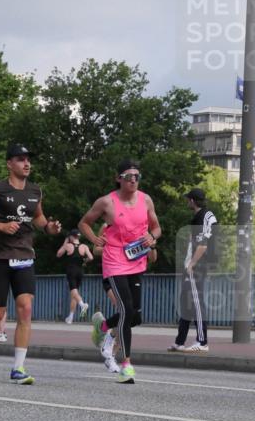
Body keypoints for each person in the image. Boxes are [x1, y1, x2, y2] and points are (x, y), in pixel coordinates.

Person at [0, 144, 61, 384]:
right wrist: (0, 227)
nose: (26, 164)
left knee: (25, 308)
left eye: (28, 160)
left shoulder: (35, 191)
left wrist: (49, 228)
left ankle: (18, 368)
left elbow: (37, 217)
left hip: (25, 255)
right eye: (20, 159)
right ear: (9, 164)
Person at [80, 159, 162, 383]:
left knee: (135, 316)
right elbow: (84, 223)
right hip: (115, 260)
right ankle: (126, 364)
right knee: (126, 308)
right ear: (119, 179)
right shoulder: (107, 202)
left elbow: (157, 227)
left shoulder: (146, 200)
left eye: (137, 176)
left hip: (136, 261)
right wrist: (94, 239)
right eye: (128, 176)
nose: (133, 179)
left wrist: (152, 237)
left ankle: (103, 326)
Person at [167, 188, 217, 354]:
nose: (187, 202)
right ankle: (180, 341)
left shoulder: (201, 217)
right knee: (186, 303)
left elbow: (203, 245)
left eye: (188, 199)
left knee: (196, 304)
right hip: (195, 265)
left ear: (193, 201)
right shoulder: (206, 215)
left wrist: (192, 264)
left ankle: (202, 342)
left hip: (197, 267)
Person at [57, 229, 92, 324]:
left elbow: (59, 254)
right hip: (80, 271)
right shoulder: (84, 246)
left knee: (73, 292)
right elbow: (91, 257)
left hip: (71, 271)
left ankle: (82, 305)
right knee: (74, 294)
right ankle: (71, 317)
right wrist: (84, 262)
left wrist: (65, 242)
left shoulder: (68, 246)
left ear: (71, 237)